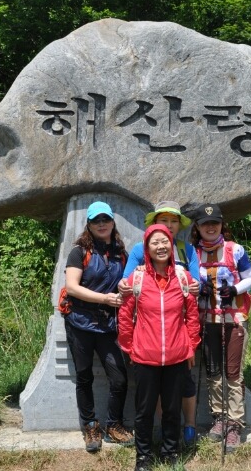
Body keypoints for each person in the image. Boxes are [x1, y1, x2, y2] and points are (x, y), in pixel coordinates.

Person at [118, 224, 201, 471]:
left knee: (172, 409)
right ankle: (143, 457)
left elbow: (192, 316)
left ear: (171, 246)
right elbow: (125, 315)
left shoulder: (183, 278)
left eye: (164, 241)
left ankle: (170, 452)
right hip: (145, 356)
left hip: (177, 356)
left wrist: (191, 346)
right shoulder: (137, 278)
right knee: (144, 411)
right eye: (155, 242)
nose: (161, 246)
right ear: (147, 248)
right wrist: (129, 347)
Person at [62, 201, 134, 452]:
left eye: (105, 219)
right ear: (89, 225)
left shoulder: (121, 254)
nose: (101, 224)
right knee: (84, 377)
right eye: (96, 220)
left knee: (119, 378)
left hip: (107, 325)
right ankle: (91, 426)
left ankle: (113, 425)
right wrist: (105, 299)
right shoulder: (79, 252)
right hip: (79, 322)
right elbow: (72, 287)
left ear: (113, 222)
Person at [191, 203, 251, 453]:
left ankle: (234, 424)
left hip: (233, 318)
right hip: (207, 319)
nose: (210, 227)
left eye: (215, 223)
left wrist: (235, 289)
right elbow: (186, 280)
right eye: (205, 224)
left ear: (221, 225)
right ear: (198, 227)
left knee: (233, 372)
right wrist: (199, 287)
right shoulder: (193, 253)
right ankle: (219, 417)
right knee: (214, 372)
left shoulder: (235, 250)